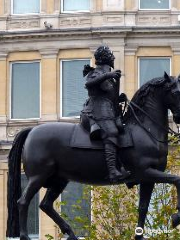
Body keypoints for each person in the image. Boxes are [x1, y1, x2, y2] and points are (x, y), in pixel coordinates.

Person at [81, 45, 130, 183]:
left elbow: (111, 97)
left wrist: (119, 98)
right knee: (112, 132)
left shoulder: (109, 76)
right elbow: (89, 84)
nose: (113, 57)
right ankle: (112, 172)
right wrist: (108, 75)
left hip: (107, 109)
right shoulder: (95, 72)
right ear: (106, 58)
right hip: (95, 109)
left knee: (123, 130)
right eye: (111, 55)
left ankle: (124, 166)